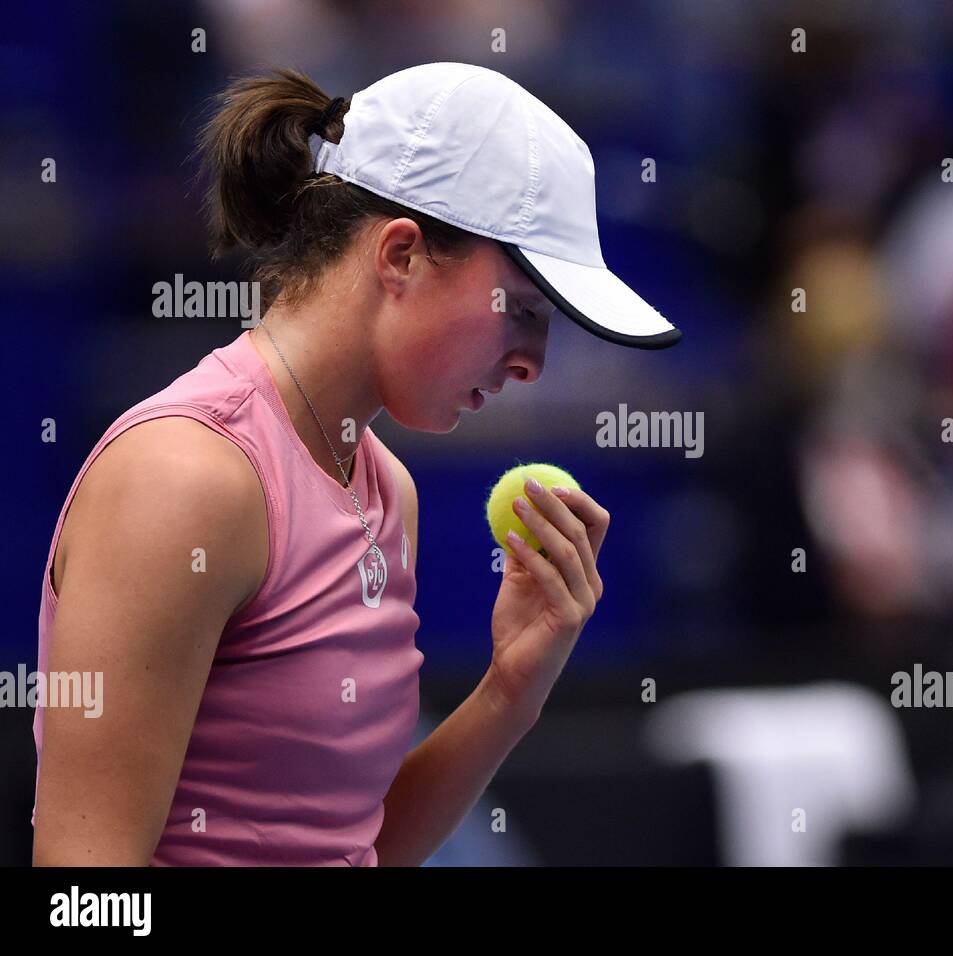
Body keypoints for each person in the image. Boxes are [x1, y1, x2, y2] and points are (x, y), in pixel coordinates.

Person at [31, 62, 681, 866]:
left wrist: (511, 690)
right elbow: (81, 898)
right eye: (522, 310)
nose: (533, 365)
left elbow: (348, 846)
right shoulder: (186, 481)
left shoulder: (386, 492)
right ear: (401, 254)